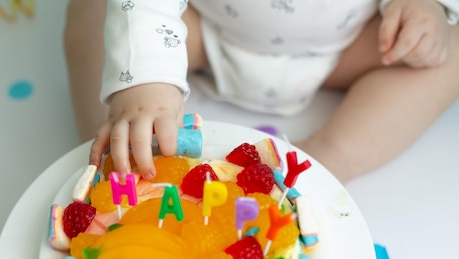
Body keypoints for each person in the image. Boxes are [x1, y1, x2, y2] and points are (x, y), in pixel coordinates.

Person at [64, 0, 459, 183]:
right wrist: (145, 81)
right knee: (93, 12)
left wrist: (429, 6)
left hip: (350, 45)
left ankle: (333, 154)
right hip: (195, 30)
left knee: (449, 50)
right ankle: (117, 158)